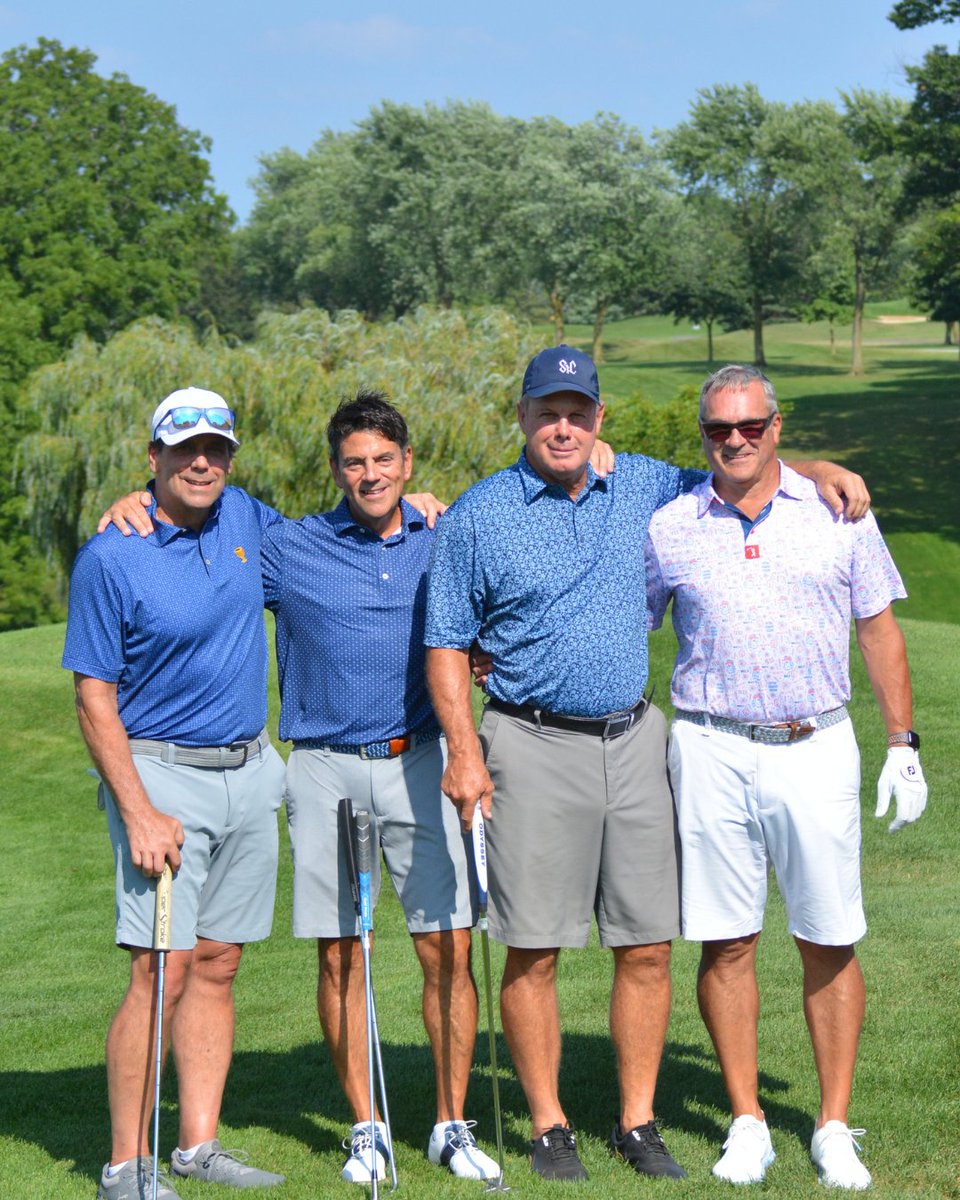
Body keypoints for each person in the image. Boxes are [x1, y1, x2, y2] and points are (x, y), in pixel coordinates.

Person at [423, 345, 869, 1183]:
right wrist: (465, 748)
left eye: (577, 411)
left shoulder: (646, 487)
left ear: (600, 418)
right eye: (546, 411)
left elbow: (740, 467)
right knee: (534, 946)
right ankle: (551, 1124)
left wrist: (814, 466)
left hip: (634, 741)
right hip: (528, 738)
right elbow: (446, 640)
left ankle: (636, 1118)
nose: (563, 425)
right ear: (521, 417)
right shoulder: (479, 515)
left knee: (649, 944)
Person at [645, 364, 928, 1190]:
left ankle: (834, 1126)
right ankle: (747, 1121)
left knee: (828, 937)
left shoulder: (839, 511)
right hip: (709, 744)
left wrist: (902, 743)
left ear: (778, 426)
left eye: (751, 427)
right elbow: (626, 621)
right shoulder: (670, 525)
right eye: (717, 430)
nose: (735, 441)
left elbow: (879, 633)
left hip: (816, 742)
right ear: (703, 436)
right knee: (727, 938)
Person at [259, 392, 499, 1184]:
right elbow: (206, 515)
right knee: (342, 952)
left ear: (407, 464)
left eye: (384, 460)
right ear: (335, 469)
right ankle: (367, 1127)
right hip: (326, 765)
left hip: (422, 759)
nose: (370, 474)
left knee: (448, 945)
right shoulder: (289, 546)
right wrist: (135, 498)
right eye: (355, 462)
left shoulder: (444, 537)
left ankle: (450, 1123)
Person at [63, 387, 287, 1200]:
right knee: (162, 970)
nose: (202, 462)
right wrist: (138, 809)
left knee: (220, 964)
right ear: (152, 457)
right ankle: (125, 1165)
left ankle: (198, 1145)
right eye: (184, 449)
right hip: (160, 778)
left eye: (216, 449)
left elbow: (339, 539)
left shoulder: (246, 520)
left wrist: (420, 502)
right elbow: (93, 697)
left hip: (250, 769)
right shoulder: (112, 554)